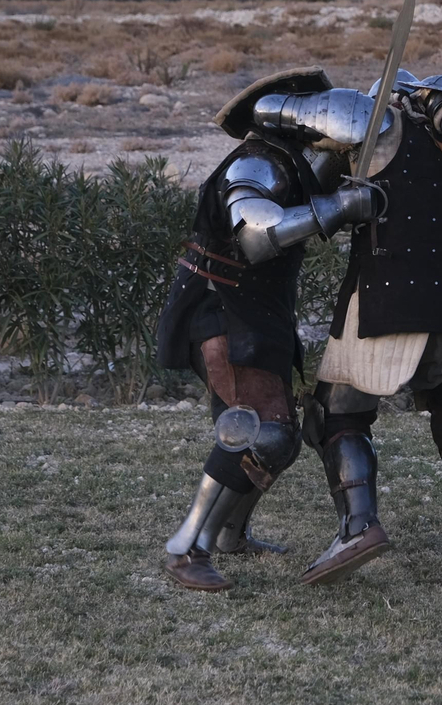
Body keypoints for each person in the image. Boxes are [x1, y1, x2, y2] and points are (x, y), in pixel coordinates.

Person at [251, 71, 442, 591]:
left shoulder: (374, 124)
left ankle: (358, 527)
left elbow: (272, 114)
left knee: (335, 415)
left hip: (389, 300)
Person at [154, 66, 380, 593]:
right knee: (262, 432)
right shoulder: (258, 163)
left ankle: (230, 534)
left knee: (272, 434)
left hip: (255, 312)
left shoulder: (288, 164)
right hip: (224, 310)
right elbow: (257, 235)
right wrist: (341, 206)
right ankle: (189, 548)